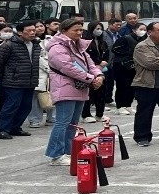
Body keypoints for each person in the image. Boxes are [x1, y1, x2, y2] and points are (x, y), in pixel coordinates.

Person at [45, 18, 104, 165]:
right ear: (64, 31)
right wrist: (91, 79)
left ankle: (68, 151)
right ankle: (56, 154)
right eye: (75, 30)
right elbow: (68, 68)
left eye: (80, 30)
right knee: (62, 122)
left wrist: (99, 76)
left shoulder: (79, 46)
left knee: (73, 123)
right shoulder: (57, 47)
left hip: (80, 87)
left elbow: (90, 64)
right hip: (65, 87)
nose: (79, 33)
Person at [0, 21, 40, 139]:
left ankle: (15, 127)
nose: (32, 33)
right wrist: (5, 77)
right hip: (13, 82)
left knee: (25, 106)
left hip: (29, 81)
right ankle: (2, 130)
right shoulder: (9, 45)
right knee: (11, 106)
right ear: (19, 32)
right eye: (29, 31)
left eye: (34, 30)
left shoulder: (35, 44)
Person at [112, 22, 148, 115]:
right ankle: (120, 106)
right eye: (140, 29)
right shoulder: (125, 38)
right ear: (134, 30)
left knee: (132, 86)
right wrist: (130, 53)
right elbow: (115, 49)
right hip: (122, 66)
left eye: (144, 30)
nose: (143, 31)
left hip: (135, 66)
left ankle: (128, 105)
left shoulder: (144, 40)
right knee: (122, 86)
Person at [81, 21, 109, 123]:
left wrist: (103, 63)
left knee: (101, 93)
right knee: (89, 93)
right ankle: (86, 114)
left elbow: (106, 54)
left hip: (101, 70)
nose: (99, 31)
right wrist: (97, 63)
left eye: (101, 28)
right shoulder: (86, 42)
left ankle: (99, 114)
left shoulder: (103, 42)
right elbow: (88, 56)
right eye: (97, 28)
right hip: (89, 70)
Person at [103, 18, 123, 106]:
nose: (118, 26)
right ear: (110, 25)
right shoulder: (104, 35)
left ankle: (109, 99)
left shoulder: (119, 35)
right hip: (106, 62)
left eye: (120, 25)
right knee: (105, 81)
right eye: (116, 25)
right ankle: (103, 99)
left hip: (116, 62)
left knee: (111, 82)